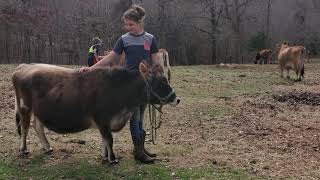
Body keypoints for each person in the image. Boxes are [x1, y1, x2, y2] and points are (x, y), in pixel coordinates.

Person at [79, 5, 159, 163]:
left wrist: (157, 79)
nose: (128, 27)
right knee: (134, 117)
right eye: (126, 24)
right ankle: (138, 152)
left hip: (145, 85)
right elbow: (111, 59)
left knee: (142, 117)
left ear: (139, 22)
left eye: (131, 24)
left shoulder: (150, 39)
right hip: (128, 85)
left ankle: (141, 147)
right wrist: (90, 69)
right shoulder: (124, 39)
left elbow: (155, 63)